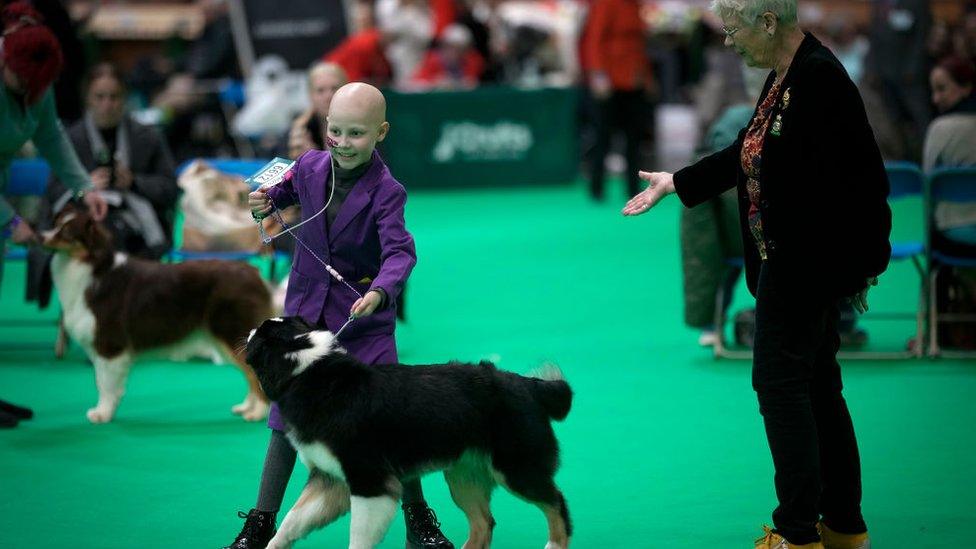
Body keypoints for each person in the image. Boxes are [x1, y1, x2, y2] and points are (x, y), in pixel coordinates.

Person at [622, 1, 891, 548]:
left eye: (732, 28)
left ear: (768, 22)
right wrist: (677, 182)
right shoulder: (786, 72)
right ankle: (842, 526)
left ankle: (796, 534)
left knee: (781, 386)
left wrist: (860, 264)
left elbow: (861, 179)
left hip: (804, 264)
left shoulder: (819, 77)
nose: (726, 40)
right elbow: (749, 152)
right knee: (817, 387)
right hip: (793, 260)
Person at [222, 83, 452, 549]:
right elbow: (275, 193)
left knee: (390, 422)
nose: (343, 142)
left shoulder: (388, 192)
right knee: (283, 420)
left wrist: (382, 293)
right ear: (324, 127)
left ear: (380, 133)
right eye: (336, 131)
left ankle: (419, 523)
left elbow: (400, 254)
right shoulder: (308, 166)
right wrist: (261, 203)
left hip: (362, 323)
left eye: (356, 134)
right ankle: (260, 522)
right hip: (304, 321)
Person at [0, 2, 106, 428]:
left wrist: (85, 186)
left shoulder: (34, 85)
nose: (31, 91)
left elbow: (50, 136)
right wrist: (9, 221)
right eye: (23, 82)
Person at [582, 0, 653, 201]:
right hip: (609, 81)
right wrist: (598, 75)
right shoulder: (606, 3)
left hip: (634, 80)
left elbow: (639, 45)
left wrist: (646, 78)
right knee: (603, 137)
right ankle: (596, 188)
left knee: (634, 139)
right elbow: (594, 39)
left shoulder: (635, 5)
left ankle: (633, 189)